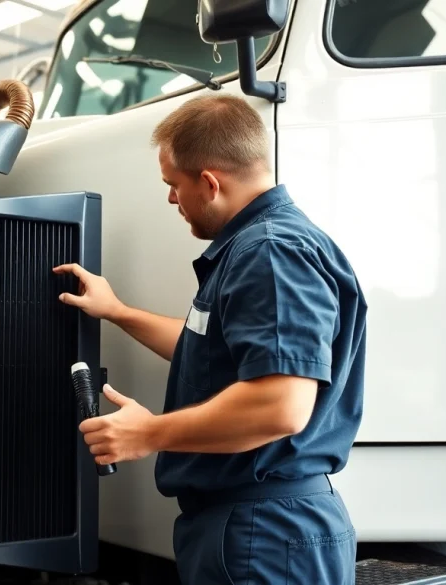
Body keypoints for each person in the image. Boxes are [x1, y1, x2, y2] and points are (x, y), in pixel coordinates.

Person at [53, 94, 367, 585]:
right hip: (254, 528)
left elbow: (279, 406)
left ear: (210, 182)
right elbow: (209, 354)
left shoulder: (270, 253)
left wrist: (147, 433)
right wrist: (117, 312)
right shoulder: (261, 245)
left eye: (173, 185)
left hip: (264, 535)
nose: (171, 200)